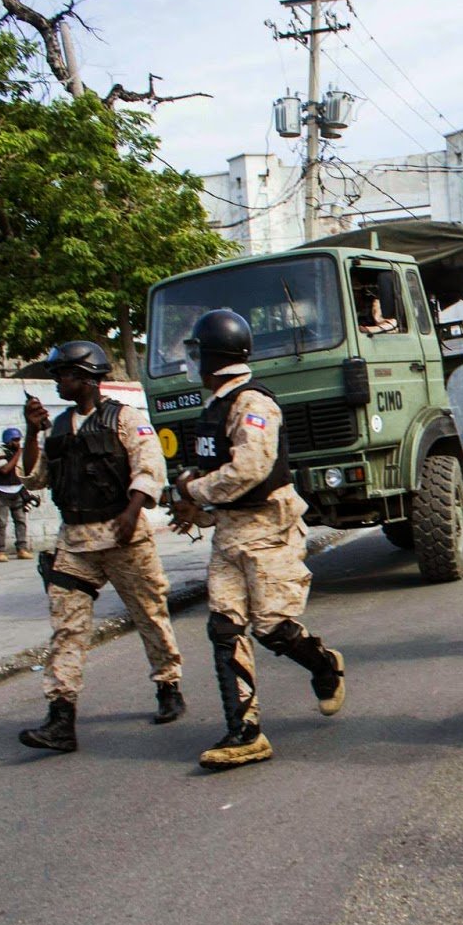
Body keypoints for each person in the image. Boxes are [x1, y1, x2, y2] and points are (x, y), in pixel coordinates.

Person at [169, 308, 347, 771]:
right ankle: (245, 732)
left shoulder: (254, 404)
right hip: (230, 535)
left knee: (273, 630)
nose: (190, 362)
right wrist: (195, 502)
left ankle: (325, 664)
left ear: (213, 356)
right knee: (224, 629)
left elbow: (250, 470)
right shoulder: (214, 407)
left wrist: (195, 491)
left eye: (195, 353)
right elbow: (218, 475)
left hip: (270, 531)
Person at [16, 341, 186, 754]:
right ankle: (61, 718)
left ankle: (168, 684)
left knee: (150, 614)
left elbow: (150, 470)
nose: (58, 382)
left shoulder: (125, 419)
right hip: (75, 541)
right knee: (67, 627)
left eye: (66, 375)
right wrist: (33, 432)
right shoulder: (56, 427)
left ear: (90, 379)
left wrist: (132, 513)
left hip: (123, 537)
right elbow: (33, 479)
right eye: (56, 376)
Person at [0, 427, 31, 562]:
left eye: (19, 440)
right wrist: (18, 454)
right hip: (2, 492)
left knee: (21, 521)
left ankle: (22, 548)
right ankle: (0, 551)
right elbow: (5, 469)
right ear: (8, 440)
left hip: (17, 490)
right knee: (1, 523)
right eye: (15, 440)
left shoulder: (17, 452)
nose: (18, 442)